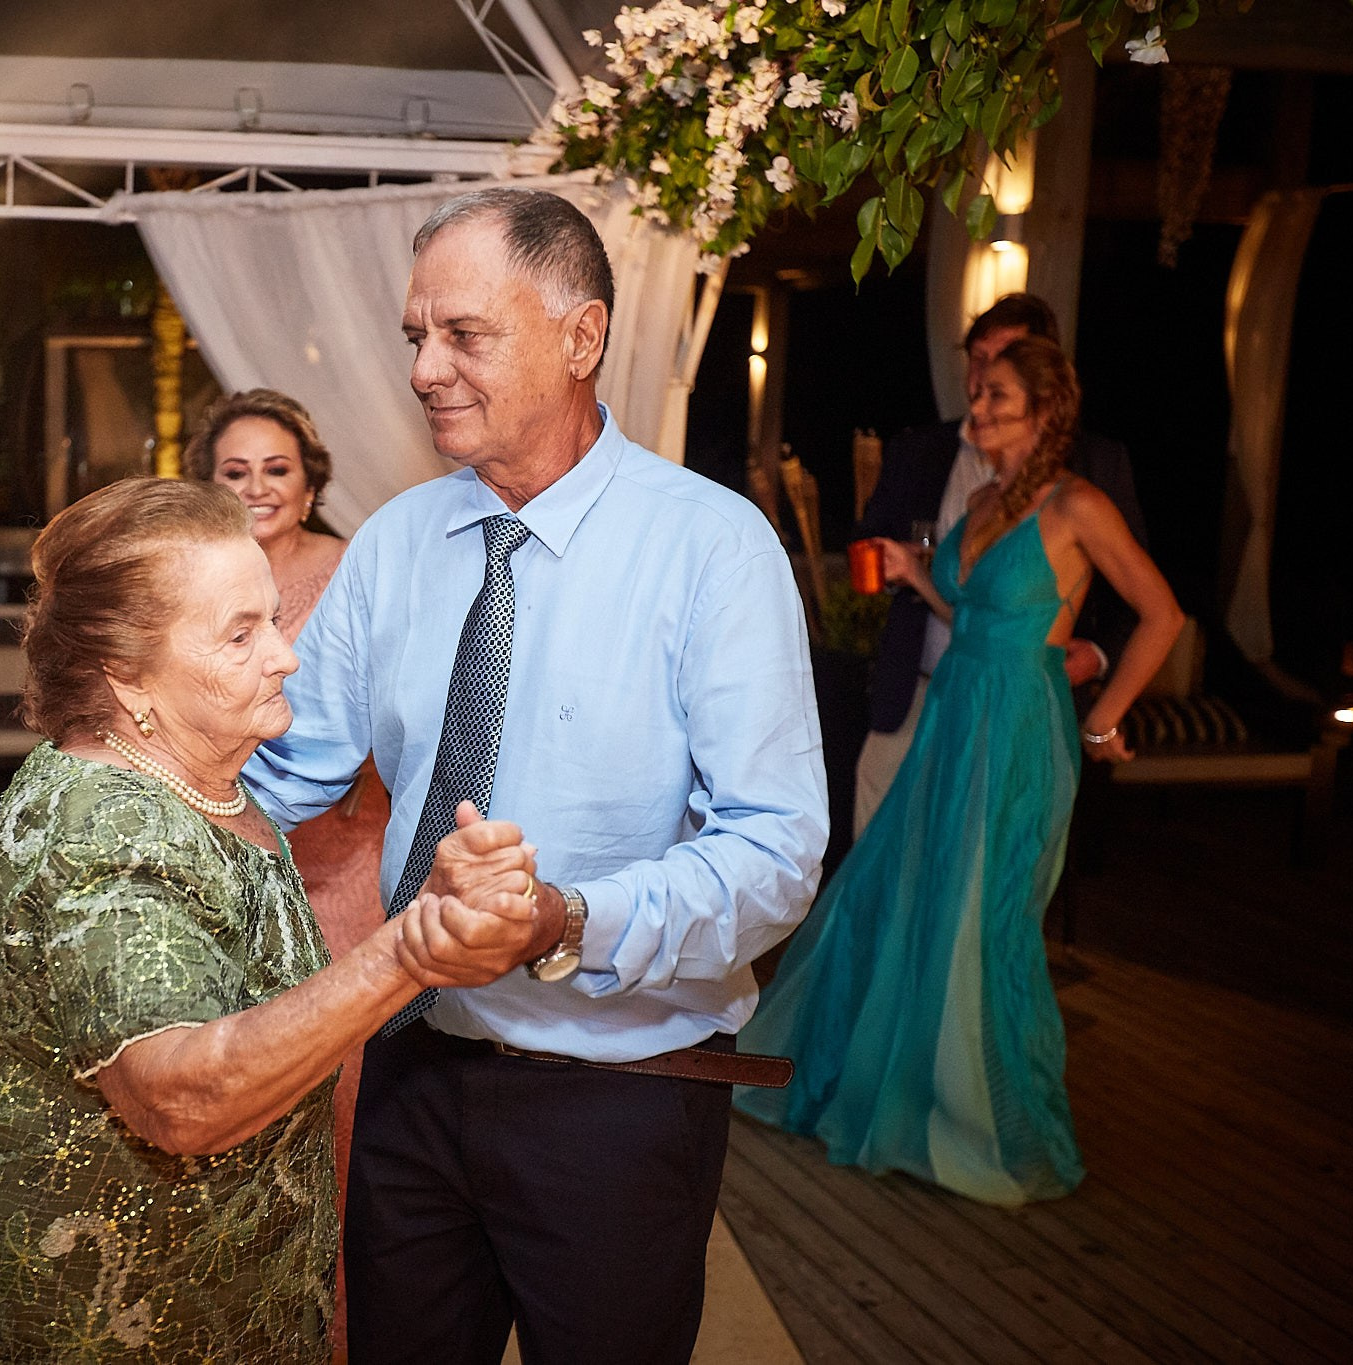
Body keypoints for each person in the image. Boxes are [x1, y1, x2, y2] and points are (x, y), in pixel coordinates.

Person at [246, 187, 828, 1364]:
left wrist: (563, 918)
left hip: (617, 1100)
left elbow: (774, 853)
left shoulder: (710, 549)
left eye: (462, 334)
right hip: (409, 1069)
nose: (422, 368)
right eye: (415, 335)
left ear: (580, 336)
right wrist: (110, 810)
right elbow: (283, 770)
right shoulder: (398, 543)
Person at [0, 477, 542, 1365]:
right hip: (101, 1314)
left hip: (209, 1288)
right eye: (242, 634)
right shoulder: (107, 830)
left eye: (275, 620)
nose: (287, 656)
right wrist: (410, 947)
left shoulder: (195, 779)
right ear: (126, 676)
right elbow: (181, 1097)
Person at [736, 337, 1183, 1206]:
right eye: (976, 395)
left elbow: (1163, 615)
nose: (975, 412)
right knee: (902, 898)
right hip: (951, 714)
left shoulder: (1078, 504)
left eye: (996, 398)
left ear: (1046, 413)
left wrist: (1102, 722)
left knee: (989, 917)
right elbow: (973, 613)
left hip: (1021, 723)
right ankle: (905, 1099)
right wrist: (917, 577)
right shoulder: (981, 498)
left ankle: (990, 1125)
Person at [183, 389, 389, 1353]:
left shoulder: (355, 575)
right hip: (214, 869)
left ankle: (338, 1324)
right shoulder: (181, 582)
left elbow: (401, 719)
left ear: (310, 482)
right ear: (208, 484)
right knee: (227, 1092)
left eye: (276, 469)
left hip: (338, 871)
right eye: (236, 471)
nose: (258, 487)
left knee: (334, 1099)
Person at [854, 293, 1149, 833]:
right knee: (884, 854)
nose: (982, 377)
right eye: (977, 357)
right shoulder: (944, 467)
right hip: (920, 688)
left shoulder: (1088, 475)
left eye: (1003, 361)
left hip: (1015, 704)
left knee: (975, 874)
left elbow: (1144, 602)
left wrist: (1100, 665)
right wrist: (910, 569)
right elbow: (957, 598)